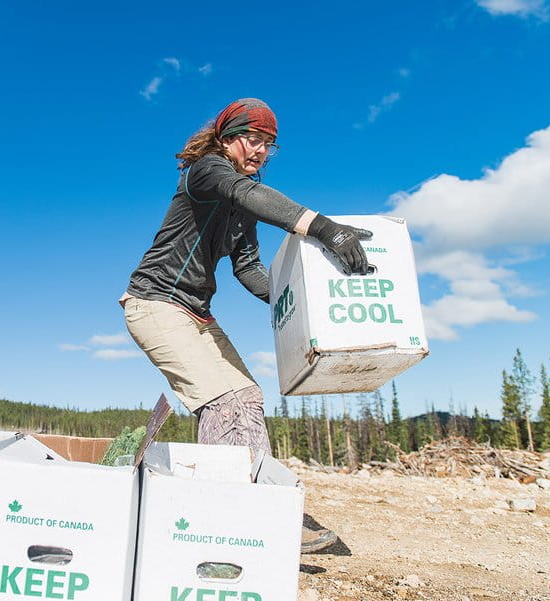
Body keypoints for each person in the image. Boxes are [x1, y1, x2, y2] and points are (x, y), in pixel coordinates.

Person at [121, 98, 370, 552]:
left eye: (268, 144)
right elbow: (246, 193)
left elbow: (248, 267)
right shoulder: (208, 171)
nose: (259, 151)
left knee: (246, 398)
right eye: (251, 139)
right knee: (227, 401)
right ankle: (240, 518)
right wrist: (325, 228)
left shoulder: (242, 201)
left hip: (196, 312)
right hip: (155, 302)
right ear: (226, 138)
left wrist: (300, 297)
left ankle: (243, 512)